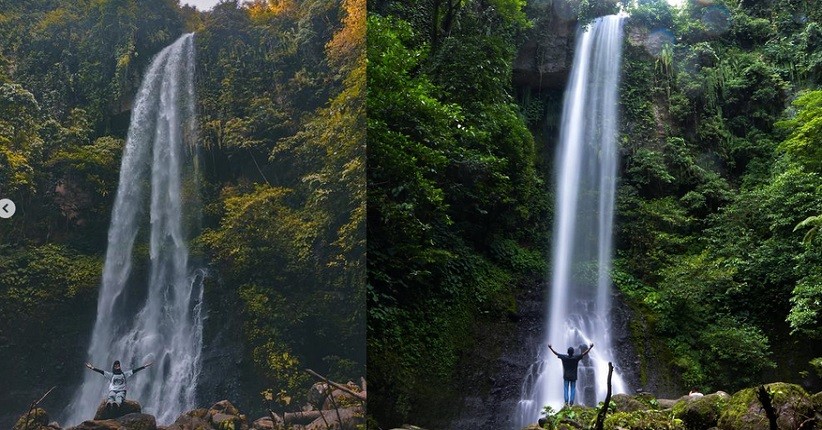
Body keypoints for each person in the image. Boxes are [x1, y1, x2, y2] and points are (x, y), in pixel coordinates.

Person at [85, 360, 153, 407]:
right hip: (113, 390)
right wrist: (92, 368)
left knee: (119, 397)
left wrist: (144, 366)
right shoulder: (111, 375)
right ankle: (109, 404)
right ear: (114, 367)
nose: (117, 366)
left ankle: (117, 405)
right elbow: (101, 372)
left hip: (121, 390)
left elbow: (134, 371)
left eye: (118, 365)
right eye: (116, 365)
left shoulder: (124, 374)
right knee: (111, 395)